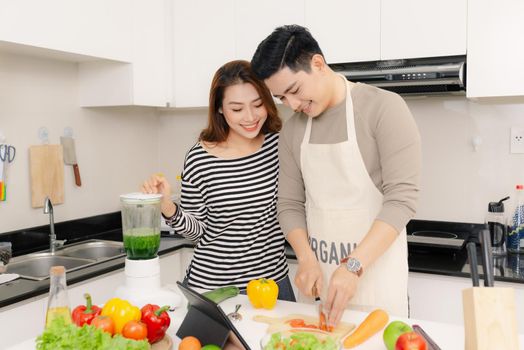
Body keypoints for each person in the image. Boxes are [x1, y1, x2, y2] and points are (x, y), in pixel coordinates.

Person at [251, 25, 421, 324]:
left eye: (294, 91)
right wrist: (305, 259)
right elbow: (289, 204)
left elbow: (402, 200)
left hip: (376, 282)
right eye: (281, 98)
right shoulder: (293, 131)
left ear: (317, 64)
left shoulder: (384, 108)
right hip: (321, 285)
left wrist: (354, 265)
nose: (292, 105)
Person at [142, 60, 295, 301]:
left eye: (258, 104)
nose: (250, 116)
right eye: (237, 109)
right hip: (214, 288)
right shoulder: (200, 158)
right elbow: (198, 232)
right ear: (220, 109)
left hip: (271, 284)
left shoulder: (279, 145)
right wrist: (168, 208)